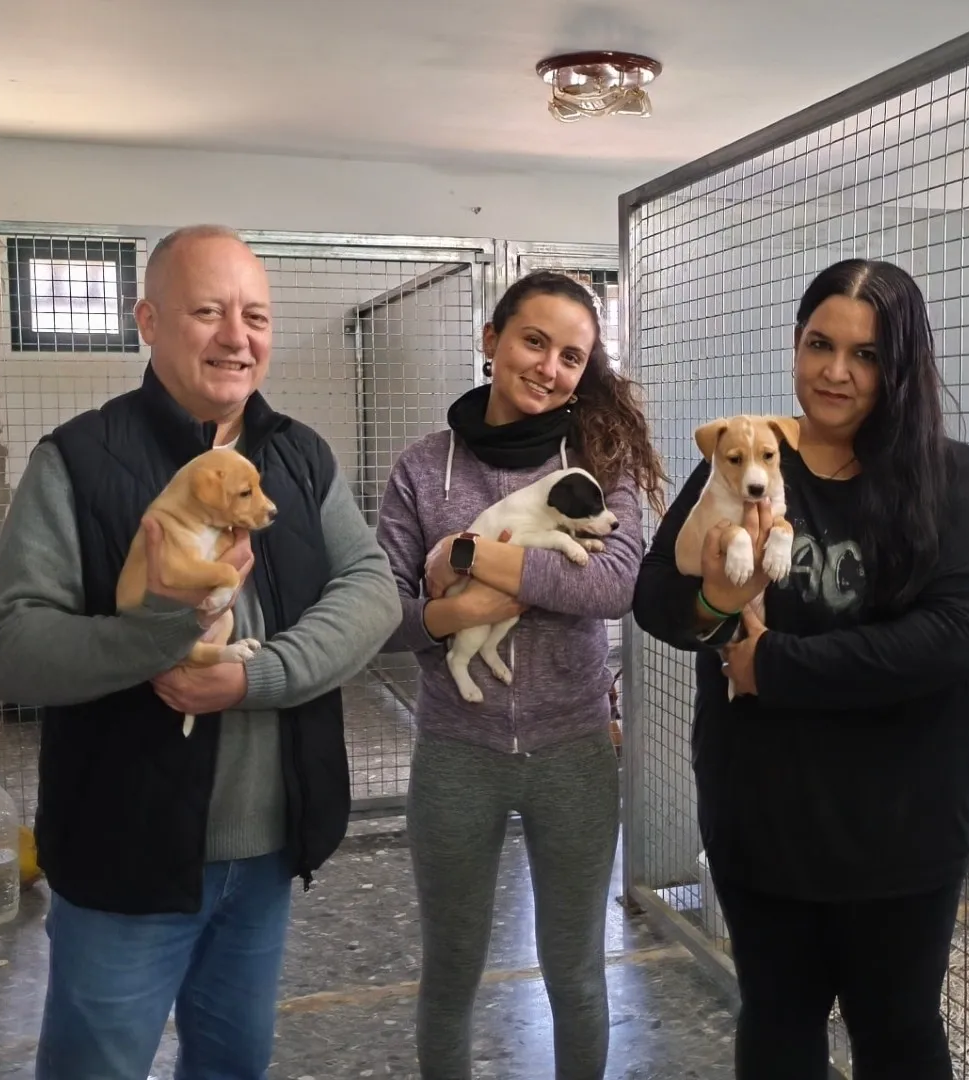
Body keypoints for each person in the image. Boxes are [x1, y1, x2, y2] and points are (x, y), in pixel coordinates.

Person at [0, 224, 399, 1080]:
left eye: (256, 317)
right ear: (148, 321)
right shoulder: (78, 462)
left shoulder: (297, 456)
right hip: (125, 855)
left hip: (267, 851)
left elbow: (373, 589)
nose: (237, 337)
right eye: (208, 311)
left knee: (233, 1065)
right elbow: (13, 650)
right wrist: (163, 630)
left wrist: (254, 677)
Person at [631, 258, 969, 1079]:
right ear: (796, 344)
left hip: (903, 827)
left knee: (898, 1032)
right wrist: (714, 600)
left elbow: (953, 636)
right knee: (778, 1024)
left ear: (902, 365)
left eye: (866, 354)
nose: (836, 371)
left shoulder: (956, 483)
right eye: (819, 344)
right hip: (763, 818)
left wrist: (775, 665)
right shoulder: (749, 463)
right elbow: (660, 601)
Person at [374, 271, 667, 1079]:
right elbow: (385, 614)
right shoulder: (423, 468)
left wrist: (471, 557)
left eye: (571, 356)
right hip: (456, 753)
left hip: (574, 751)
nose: (549, 367)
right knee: (451, 974)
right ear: (491, 339)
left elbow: (614, 587)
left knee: (576, 973)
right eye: (534, 341)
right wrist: (455, 615)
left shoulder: (601, 463)